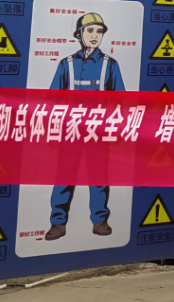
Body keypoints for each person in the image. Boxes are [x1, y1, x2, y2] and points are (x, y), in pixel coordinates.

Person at [45, 13, 125, 241]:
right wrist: (54, 131)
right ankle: (58, 223)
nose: (95, 35)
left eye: (99, 31)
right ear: (79, 34)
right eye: (90, 30)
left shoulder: (110, 64)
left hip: (97, 132)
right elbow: (52, 101)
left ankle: (100, 221)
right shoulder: (66, 64)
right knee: (64, 177)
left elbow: (121, 101)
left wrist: (115, 130)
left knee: (98, 177)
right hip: (70, 131)